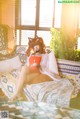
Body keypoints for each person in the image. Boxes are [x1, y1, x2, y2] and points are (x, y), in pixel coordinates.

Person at [10, 36, 52, 101]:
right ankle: (19, 94)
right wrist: (27, 67)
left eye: (37, 45)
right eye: (35, 46)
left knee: (21, 77)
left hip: (38, 72)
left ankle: (17, 94)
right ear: (33, 47)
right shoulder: (31, 55)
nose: (36, 47)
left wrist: (38, 65)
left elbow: (45, 65)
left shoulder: (44, 55)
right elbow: (27, 64)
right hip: (30, 70)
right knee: (23, 70)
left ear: (41, 46)